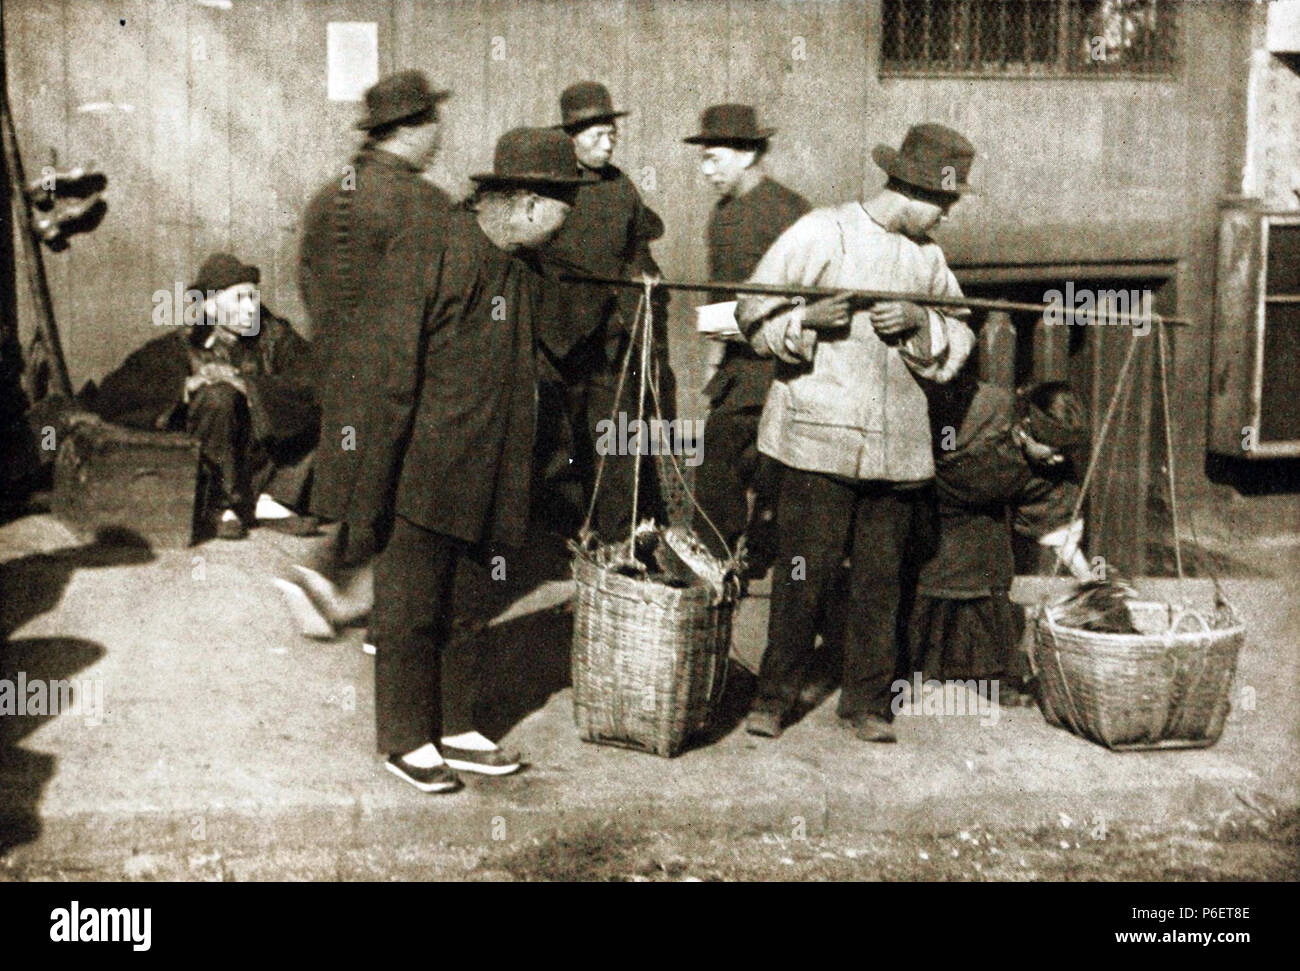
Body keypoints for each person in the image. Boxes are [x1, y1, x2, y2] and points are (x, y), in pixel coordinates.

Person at [736, 123, 978, 743]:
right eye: (944, 203)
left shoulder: (927, 259)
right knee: (801, 573)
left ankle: (867, 704)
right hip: (819, 439)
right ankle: (771, 698)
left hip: (896, 445)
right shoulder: (824, 230)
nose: (945, 218)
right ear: (911, 189)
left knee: (881, 581)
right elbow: (750, 314)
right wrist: (805, 318)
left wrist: (923, 322)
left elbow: (962, 333)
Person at [371, 127, 592, 793]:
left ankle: (459, 722)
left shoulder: (518, 267)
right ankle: (406, 738)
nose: (565, 224)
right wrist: (377, 473)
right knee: (411, 607)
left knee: (470, 602)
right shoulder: (435, 246)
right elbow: (388, 368)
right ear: (527, 204)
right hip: (423, 469)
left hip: (491, 468)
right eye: (563, 210)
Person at [287, 70, 453, 638]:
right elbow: (439, 299)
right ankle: (368, 607)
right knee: (406, 492)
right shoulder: (423, 203)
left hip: (340, 366)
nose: (440, 137)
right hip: (402, 372)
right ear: (410, 130)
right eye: (434, 123)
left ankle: (332, 579)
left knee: (368, 483)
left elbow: (309, 278)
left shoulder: (330, 196)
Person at [94, 253, 318, 540]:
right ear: (210, 306)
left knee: (326, 401)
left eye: (253, 297)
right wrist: (186, 385)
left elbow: (315, 378)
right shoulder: (184, 345)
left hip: (269, 464)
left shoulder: (275, 336)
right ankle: (218, 506)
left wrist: (247, 385)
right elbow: (114, 392)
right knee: (217, 396)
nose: (251, 308)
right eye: (239, 299)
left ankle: (270, 499)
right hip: (219, 469)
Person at [534, 81, 672, 540]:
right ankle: (566, 536)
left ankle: (618, 538)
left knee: (616, 438)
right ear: (571, 138)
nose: (608, 142)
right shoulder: (553, 186)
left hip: (611, 341)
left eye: (612, 133)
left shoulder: (620, 186)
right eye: (597, 135)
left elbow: (638, 246)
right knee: (562, 443)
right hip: (561, 338)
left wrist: (646, 274)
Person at [906, 377, 1092, 702]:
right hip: (930, 500)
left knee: (992, 574)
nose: (1058, 459)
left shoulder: (1046, 467)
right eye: (1053, 449)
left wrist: (1089, 580)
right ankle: (913, 672)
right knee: (930, 579)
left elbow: (1057, 528)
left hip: (982, 515)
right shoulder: (986, 411)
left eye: (1065, 452)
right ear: (1027, 427)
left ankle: (992, 679)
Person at [682, 104, 810, 571]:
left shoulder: (755, 217)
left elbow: (730, 311)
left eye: (714, 157)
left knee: (718, 469)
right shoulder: (781, 207)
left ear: (748, 153)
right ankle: (750, 553)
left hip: (764, 368)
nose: (707, 169)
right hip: (771, 367)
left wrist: (714, 362)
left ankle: (713, 568)